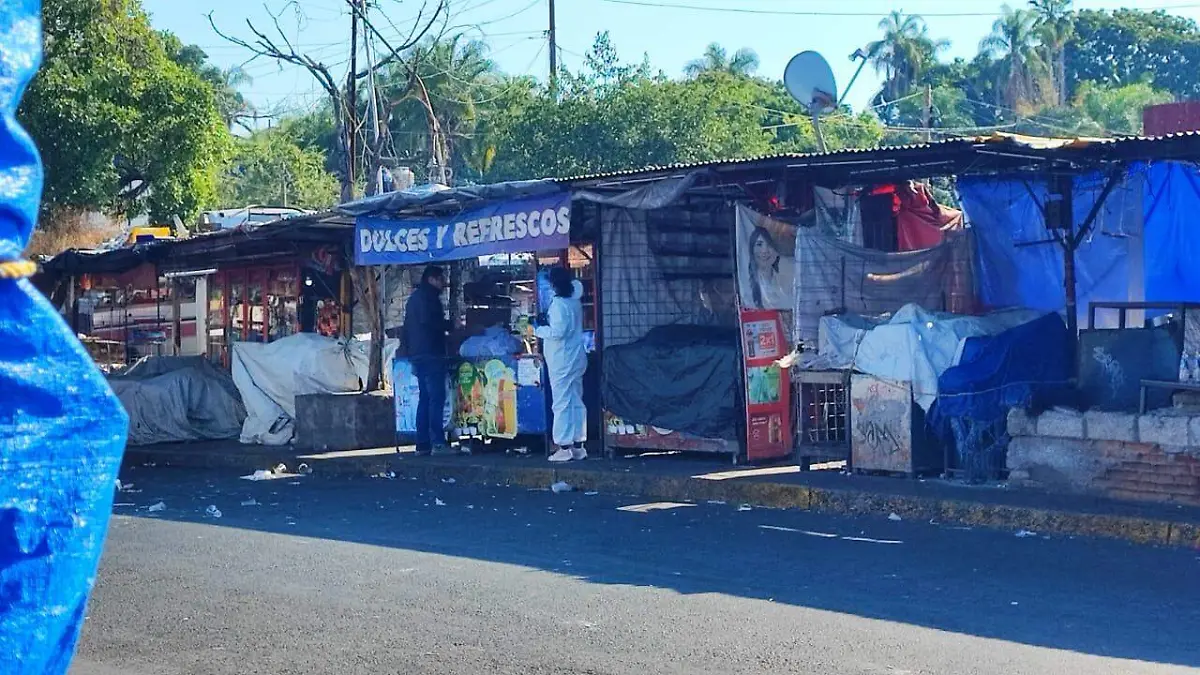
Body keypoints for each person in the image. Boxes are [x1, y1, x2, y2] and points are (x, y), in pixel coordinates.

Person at [536, 267, 588, 462]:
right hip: (577, 357)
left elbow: (558, 332)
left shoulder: (558, 304)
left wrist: (539, 329)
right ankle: (578, 445)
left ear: (554, 284)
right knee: (576, 400)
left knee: (561, 402)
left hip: (562, 360)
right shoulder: (575, 301)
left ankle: (563, 446)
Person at [403, 265, 453, 456]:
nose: (443, 283)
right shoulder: (429, 298)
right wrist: (450, 326)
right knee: (436, 398)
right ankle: (438, 443)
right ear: (432, 279)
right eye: (441, 279)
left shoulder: (414, 298)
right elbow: (431, 323)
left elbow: (407, 327)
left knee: (425, 398)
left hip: (417, 354)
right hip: (431, 353)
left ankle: (422, 444)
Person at [747, 226, 793, 309]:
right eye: (759, 244)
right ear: (752, 250)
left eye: (769, 244)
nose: (764, 250)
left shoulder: (788, 278)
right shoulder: (748, 290)